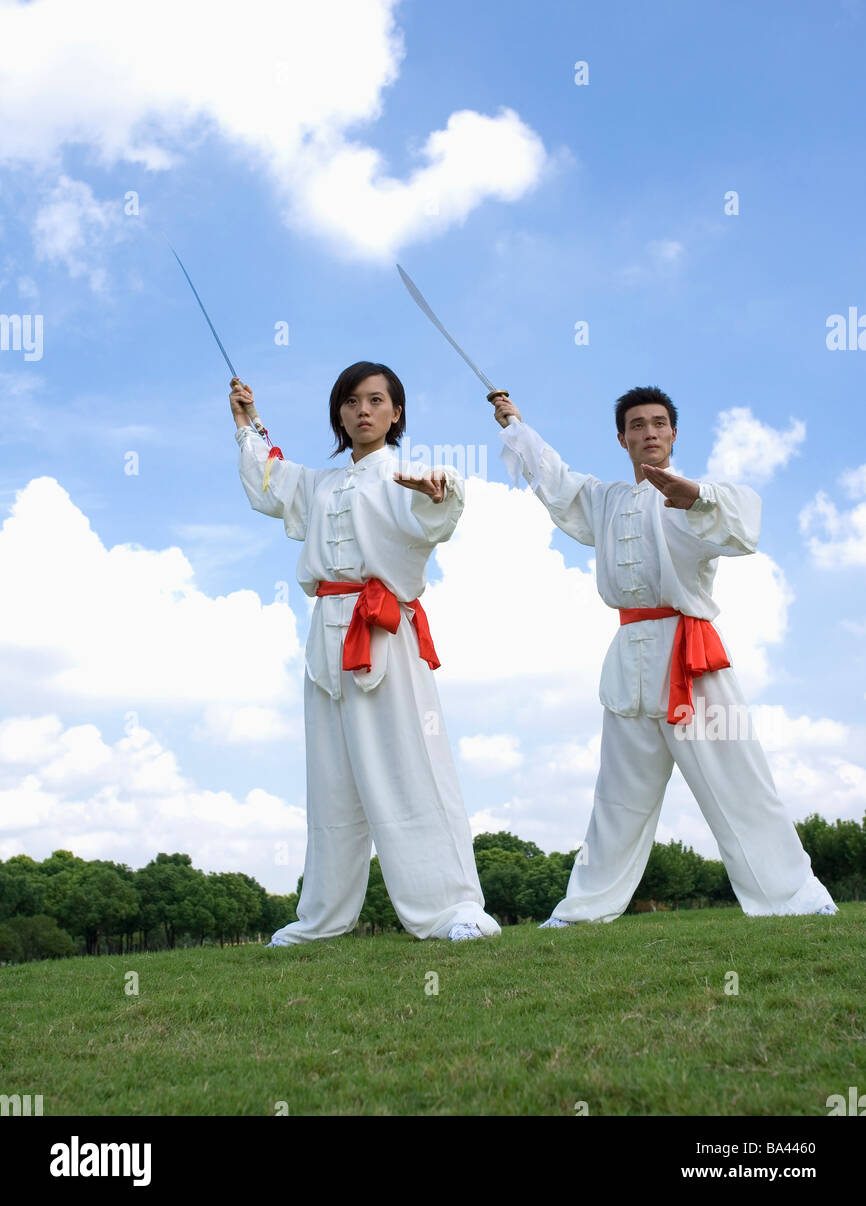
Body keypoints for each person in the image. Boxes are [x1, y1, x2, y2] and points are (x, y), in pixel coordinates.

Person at [491, 385, 837, 923]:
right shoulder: (605, 500)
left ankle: (796, 900)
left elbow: (745, 524)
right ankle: (583, 909)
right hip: (628, 659)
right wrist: (515, 425)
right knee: (616, 799)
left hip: (691, 658)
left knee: (740, 785)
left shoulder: (696, 496)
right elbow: (555, 479)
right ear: (622, 438)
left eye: (658, 423)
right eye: (637, 425)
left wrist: (695, 497)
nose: (648, 432)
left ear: (673, 433)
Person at [232, 361, 501, 944]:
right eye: (351, 402)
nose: (363, 411)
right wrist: (249, 423)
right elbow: (269, 483)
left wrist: (440, 490)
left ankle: (452, 908)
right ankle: (323, 918)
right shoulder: (319, 484)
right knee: (331, 779)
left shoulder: (404, 475)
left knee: (410, 767)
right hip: (323, 636)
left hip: (381, 628)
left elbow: (439, 506)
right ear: (339, 414)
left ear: (396, 412)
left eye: (376, 401)